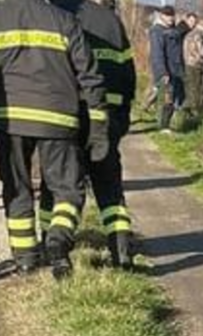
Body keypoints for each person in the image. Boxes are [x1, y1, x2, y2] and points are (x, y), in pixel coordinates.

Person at [0, 0, 109, 279]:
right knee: (68, 189)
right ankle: (58, 239)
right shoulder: (64, 21)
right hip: (59, 119)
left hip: (10, 120)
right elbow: (91, 76)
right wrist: (99, 129)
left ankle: (26, 260)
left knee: (16, 188)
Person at [41, 0, 137, 269]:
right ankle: (121, 249)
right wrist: (121, 114)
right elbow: (128, 73)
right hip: (108, 116)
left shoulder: (54, 16)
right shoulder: (110, 20)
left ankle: (51, 243)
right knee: (109, 186)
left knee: (57, 185)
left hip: (66, 115)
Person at [149, 5, 185, 132]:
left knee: (176, 99)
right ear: (162, 16)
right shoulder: (157, 31)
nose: (170, 18)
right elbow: (157, 54)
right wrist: (162, 72)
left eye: (172, 15)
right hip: (165, 70)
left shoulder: (173, 30)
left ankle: (168, 124)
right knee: (166, 99)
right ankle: (163, 126)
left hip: (176, 70)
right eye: (168, 16)